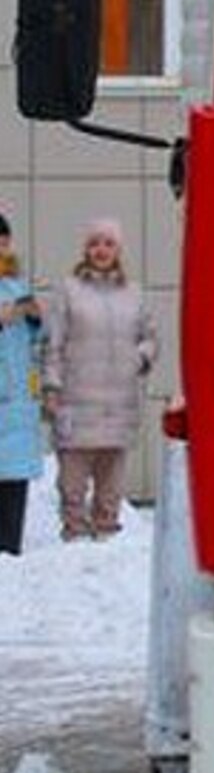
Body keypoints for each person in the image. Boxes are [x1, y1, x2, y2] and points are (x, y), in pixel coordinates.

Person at [42, 219, 158, 542]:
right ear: (85, 250)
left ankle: (107, 539)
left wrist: (141, 357)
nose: (101, 250)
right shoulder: (68, 290)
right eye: (94, 243)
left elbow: (150, 337)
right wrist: (51, 388)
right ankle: (75, 540)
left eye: (108, 243)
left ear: (118, 250)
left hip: (118, 407)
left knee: (111, 490)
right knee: (72, 486)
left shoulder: (134, 294)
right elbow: (53, 344)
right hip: (76, 406)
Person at [0, 213, 43, 556]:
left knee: (14, 475)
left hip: (15, 394)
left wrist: (34, 316)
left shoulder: (17, 284)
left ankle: (10, 542)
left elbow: (38, 337)